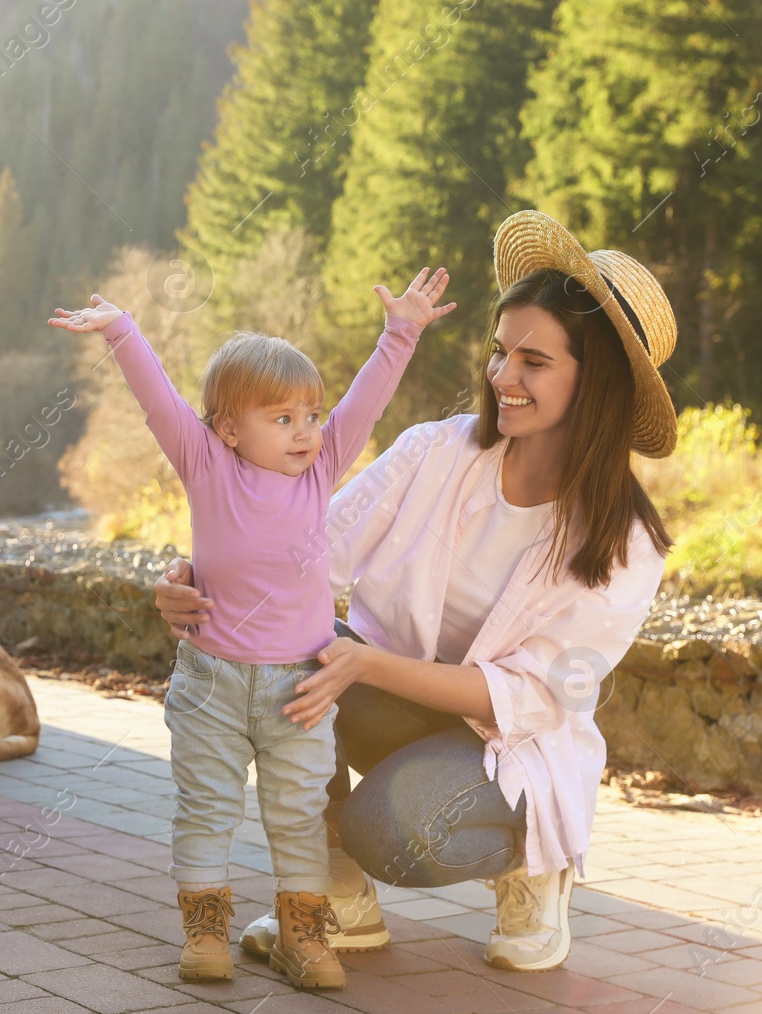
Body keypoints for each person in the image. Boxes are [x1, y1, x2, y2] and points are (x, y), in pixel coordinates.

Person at [153, 210, 679, 973]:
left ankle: (532, 865)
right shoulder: (436, 451)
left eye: (533, 361)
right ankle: (339, 888)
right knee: (285, 664)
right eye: (500, 352)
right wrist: (191, 581)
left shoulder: (627, 541)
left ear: (593, 380)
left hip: (507, 746)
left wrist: (362, 664)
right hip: (392, 701)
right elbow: (304, 554)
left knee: (396, 829)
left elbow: (532, 696)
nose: (502, 376)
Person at [48, 268, 456, 988]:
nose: (307, 429)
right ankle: (205, 929)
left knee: (299, 816)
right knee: (205, 807)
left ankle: (304, 934)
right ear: (228, 429)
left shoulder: (322, 467)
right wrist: (121, 330)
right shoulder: (206, 465)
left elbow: (366, 401)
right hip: (211, 682)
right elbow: (160, 403)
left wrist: (402, 331)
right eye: (283, 416)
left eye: (311, 413)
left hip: (297, 687)